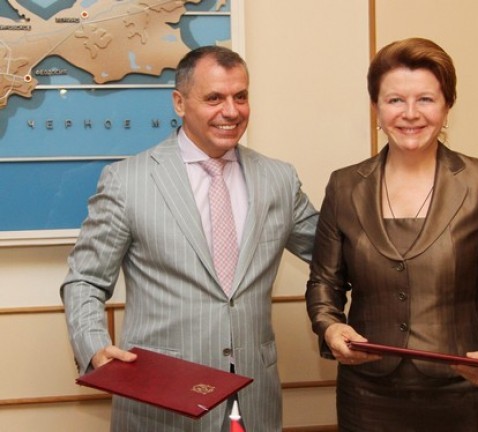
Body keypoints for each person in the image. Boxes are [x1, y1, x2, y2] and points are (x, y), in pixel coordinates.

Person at [61, 45, 319, 432]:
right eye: (214, 98)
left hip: (253, 399)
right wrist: (95, 345)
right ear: (179, 103)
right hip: (160, 400)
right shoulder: (128, 181)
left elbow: (332, 252)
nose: (231, 111)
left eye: (240, 97)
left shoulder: (278, 179)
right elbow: (85, 279)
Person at [305, 37, 478, 432]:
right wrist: (329, 326)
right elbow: (324, 283)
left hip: (468, 390)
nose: (410, 114)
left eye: (426, 100)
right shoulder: (344, 186)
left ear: (447, 106)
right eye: (395, 100)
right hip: (368, 395)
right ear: (376, 107)